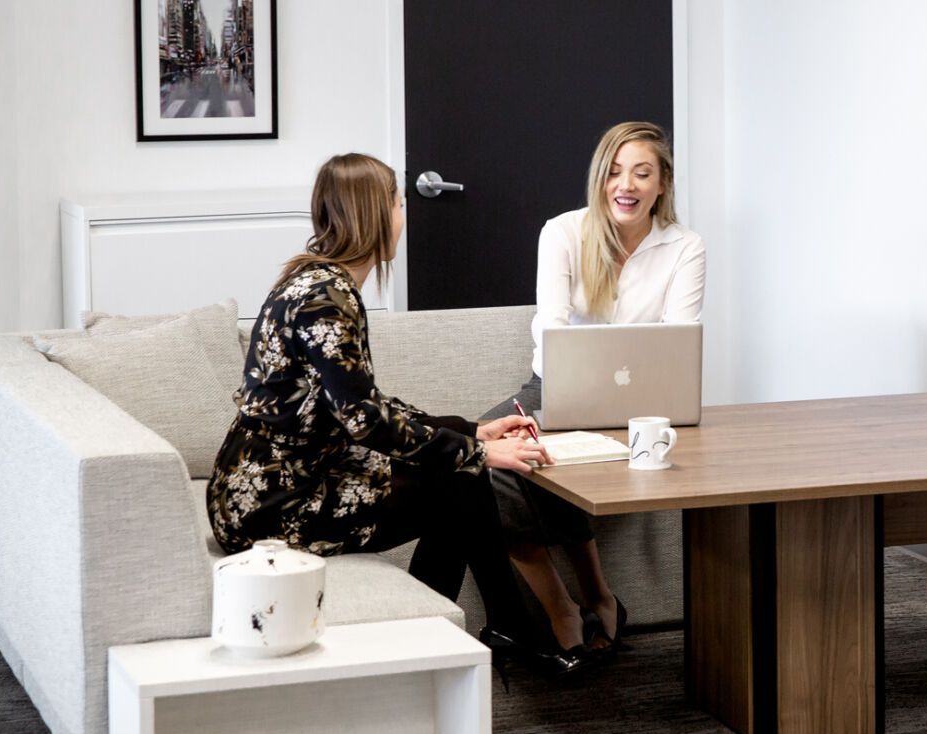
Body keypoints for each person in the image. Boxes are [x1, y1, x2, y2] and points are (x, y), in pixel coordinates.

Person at [206, 152, 588, 676]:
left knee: (456, 450)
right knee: (458, 480)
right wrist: (479, 451)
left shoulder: (318, 280)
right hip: (273, 503)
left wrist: (470, 431)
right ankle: (480, 633)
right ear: (376, 213)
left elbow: (363, 405)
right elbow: (365, 421)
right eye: (399, 203)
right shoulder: (326, 299)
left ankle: (482, 631)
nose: (403, 216)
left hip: (285, 476)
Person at [480, 121, 706, 656]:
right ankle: (567, 605)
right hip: (555, 390)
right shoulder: (562, 233)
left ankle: (598, 598)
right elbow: (551, 327)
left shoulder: (685, 248)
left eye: (642, 173)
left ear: (662, 184)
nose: (625, 185)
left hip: (643, 403)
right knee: (490, 466)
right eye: (614, 171)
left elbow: (679, 340)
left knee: (551, 459)